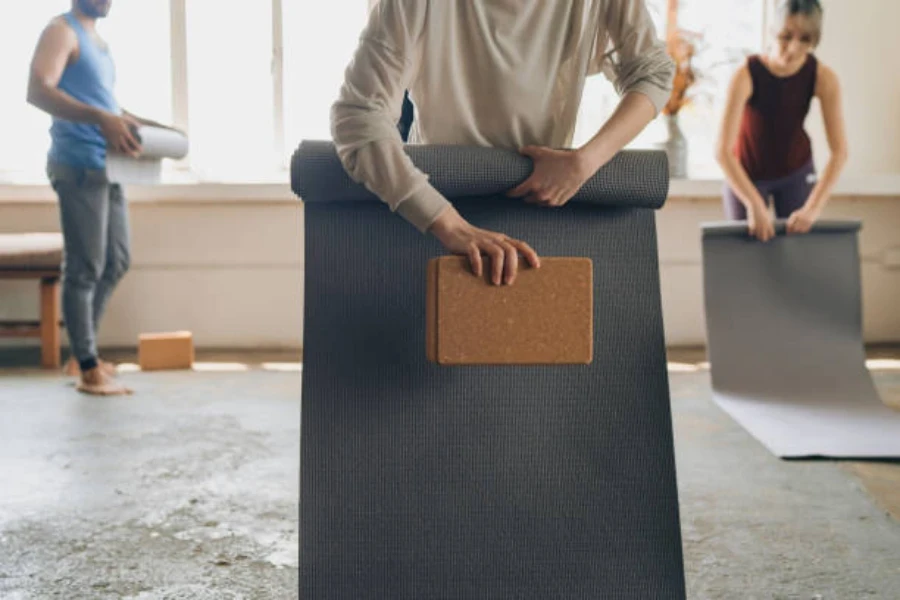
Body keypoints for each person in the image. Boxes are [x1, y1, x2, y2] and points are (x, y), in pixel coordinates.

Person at [332, 0, 675, 285]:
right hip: (436, 213)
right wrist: (449, 225)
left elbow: (654, 73)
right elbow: (358, 116)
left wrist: (584, 162)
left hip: (541, 208)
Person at [27, 0, 175, 395]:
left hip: (108, 165)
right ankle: (87, 365)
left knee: (117, 260)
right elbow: (39, 90)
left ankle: (82, 353)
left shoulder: (98, 42)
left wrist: (140, 123)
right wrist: (102, 119)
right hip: (77, 165)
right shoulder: (62, 30)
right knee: (85, 266)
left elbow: (105, 105)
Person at [715, 0, 848, 242]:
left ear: (814, 40)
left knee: (796, 255)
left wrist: (813, 210)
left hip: (796, 172)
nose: (793, 49)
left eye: (804, 40)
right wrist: (753, 203)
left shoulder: (823, 78)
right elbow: (722, 152)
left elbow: (839, 152)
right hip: (748, 174)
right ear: (772, 32)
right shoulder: (745, 75)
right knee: (745, 257)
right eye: (785, 37)